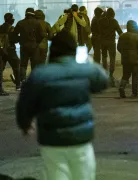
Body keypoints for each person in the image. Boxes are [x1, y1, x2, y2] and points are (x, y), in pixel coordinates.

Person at [16, 31, 108, 180]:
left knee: (56, 174)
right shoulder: (84, 69)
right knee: (83, 175)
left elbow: (25, 103)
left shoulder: (40, 74)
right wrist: (88, 62)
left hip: (52, 139)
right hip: (80, 138)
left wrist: (25, 124)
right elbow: (103, 81)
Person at [13, 8, 45, 83]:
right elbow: (42, 35)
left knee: (23, 64)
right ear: (33, 14)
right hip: (34, 46)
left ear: (26, 13)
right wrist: (37, 42)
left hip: (24, 46)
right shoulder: (37, 23)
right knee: (34, 64)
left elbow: (14, 35)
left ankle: (23, 80)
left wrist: (20, 40)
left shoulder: (20, 23)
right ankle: (34, 80)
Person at [117, 20, 138, 98]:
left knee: (125, 75)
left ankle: (122, 87)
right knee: (135, 76)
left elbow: (118, 48)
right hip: (135, 59)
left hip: (125, 58)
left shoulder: (122, 36)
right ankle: (134, 93)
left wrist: (124, 53)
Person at [99, 7, 123, 86]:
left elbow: (97, 31)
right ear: (113, 14)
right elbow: (120, 32)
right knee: (112, 58)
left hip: (102, 42)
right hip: (111, 42)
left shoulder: (101, 21)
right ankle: (111, 75)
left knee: (104, 57)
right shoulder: (114, 21)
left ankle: (104, 73)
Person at [0, 13, 20, 94]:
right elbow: (14, 39)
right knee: (16, 67)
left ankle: (0, 87)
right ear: (10, 19)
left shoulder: (0, 27)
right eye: (13, 18)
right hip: (10, 50)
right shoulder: (12, 28)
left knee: (1, 69)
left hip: (1, 51)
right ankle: (18, 85)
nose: (13, 19)